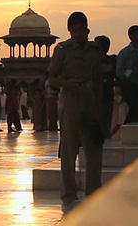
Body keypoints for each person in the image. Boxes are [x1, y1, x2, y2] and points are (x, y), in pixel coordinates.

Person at [48, 11, 103, 212]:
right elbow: (52, 78)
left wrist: (97, 107)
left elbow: (99, 79)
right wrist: (67, 83)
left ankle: (94, 193)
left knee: (94, 148)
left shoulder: (94, 50)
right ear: (70, 31)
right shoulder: (62, 50)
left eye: (82, 30)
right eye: (75, 30)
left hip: (90, 98)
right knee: (70, 149)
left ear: (87, 30)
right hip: (70, 98)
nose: (79, 34)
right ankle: (69, 196)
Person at [116, 25, 138, 124]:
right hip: (128, 85)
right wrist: (132, 72)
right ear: (132, 36)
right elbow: (119, 71)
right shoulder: (125, 53)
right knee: (133, 107)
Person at [94, 35, 117, 138]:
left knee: (105, 124)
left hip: (106, 97)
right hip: (92, 98)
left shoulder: (111, 61)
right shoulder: (92, 61)